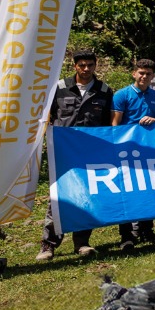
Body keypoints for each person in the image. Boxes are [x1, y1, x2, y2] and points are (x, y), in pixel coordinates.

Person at [37, 49, 113, 261]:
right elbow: (46, 118)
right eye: (82, 65)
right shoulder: (59, 89)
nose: (86, 69)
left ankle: (82, 242)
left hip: (90, 154)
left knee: (85, 196)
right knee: (58, 199)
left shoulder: (104, 91)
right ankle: (48, 245)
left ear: (95, 66)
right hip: (63, 153)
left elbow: (107, 125)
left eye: (90, 65)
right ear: (74, 66)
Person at [112, 57, 155, 249]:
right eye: (141, 73)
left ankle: (146, 230)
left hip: (150, 152)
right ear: (134, 73)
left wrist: (154, 121)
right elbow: (115, 126)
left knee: (148, 191)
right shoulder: (122, 95)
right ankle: (126, 235)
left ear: (153, 76)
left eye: (148, 74)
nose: (144, 76)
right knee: (127, 193)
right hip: (127, 153)